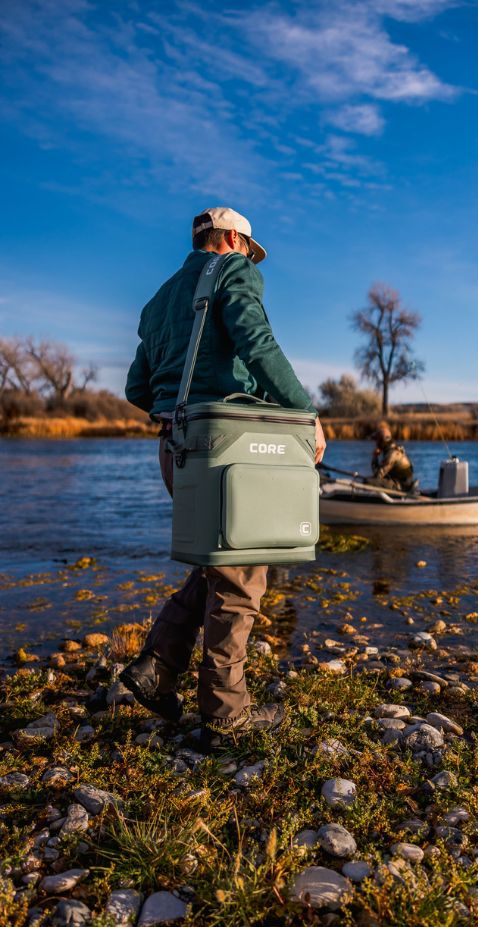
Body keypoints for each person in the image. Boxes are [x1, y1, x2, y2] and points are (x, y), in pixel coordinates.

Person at [120, 206, 326, 751]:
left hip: (176, 447)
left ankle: (157, 666)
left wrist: (171, 405)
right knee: (242, 574)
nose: (249, 260)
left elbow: (136, 389)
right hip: (224, 444)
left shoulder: (160, 298)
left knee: (221, 557)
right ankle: (225, 713)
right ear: (233, 238)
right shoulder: (234, 271)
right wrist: (304, 414)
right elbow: (257, 343)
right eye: (246, 249)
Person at [368, 421, 415, 491]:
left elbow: (378, 476)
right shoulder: (395, 450)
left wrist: (375, 457)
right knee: (370, 480)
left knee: (368, 481)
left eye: (377, 441)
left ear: (382, 441)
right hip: (400, 483)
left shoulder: (392, 454)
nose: (376, 443)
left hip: (401, 486)